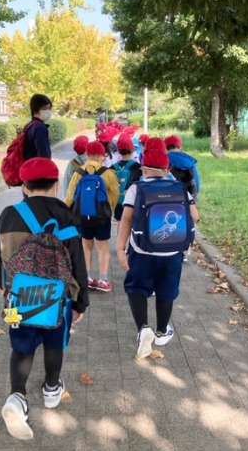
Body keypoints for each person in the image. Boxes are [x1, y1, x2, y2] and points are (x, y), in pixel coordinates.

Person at [0, 157, 88, 440]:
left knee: (21, 346)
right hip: (58, 299)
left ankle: (17, 397)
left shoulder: (8, 215)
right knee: (54, 342)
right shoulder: (66, 215)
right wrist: (80, 301)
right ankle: (51, 388)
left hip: (17, 298)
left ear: (24, 186)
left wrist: (5, 288)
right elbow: (78, 262)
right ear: (56, 185)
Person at [116, 138, 200, 359]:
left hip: (141, 251)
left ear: (144, 168)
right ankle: (162, 331)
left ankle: (143, 328)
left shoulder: (136, 188)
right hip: (173, 253)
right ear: (167, 169)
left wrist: (120, 249)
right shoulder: (181, 189)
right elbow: (195, 216)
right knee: (166, 290)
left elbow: (126, 219)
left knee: (136, 288)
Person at [65, 141, 119, 293]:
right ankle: (103, 280)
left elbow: (70, 196)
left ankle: (87, 278)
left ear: (87, 155)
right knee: (103, 247)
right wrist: (110, 210)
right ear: (102, 155)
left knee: (86, 246)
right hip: (102, 217)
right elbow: (115, 194)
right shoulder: (108, 173)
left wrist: (66, 213)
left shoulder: (78, 172)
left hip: (83, 216)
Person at [112, 135, 142, 226]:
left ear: (118, 151)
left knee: (120, 223)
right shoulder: (138, 167)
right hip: (133, 201)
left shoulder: (112, 168)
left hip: (118, 201)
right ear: (132, 149)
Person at [24, 94, 53, 160]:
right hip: (36, 165)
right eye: (45, 108)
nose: (48, 111)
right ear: (36, 109)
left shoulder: (29, 125)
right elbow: (44, 156)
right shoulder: (40, 128)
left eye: (49, 108)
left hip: (28, 164)